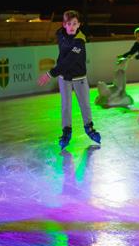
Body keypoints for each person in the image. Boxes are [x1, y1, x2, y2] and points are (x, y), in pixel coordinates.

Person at [37, 10, 101, 149]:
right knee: (65, 105)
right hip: (64, 78)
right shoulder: (60, 34)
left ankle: (89, 128)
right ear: (64, 24)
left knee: (84, 104)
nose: (72, 27)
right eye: (69, 24)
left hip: (79, 77)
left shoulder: (80, 42)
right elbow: (62, 55)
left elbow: (68, 61)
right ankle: (66, 132)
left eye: (75, 24)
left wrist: (50, 74)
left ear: (79, 25)